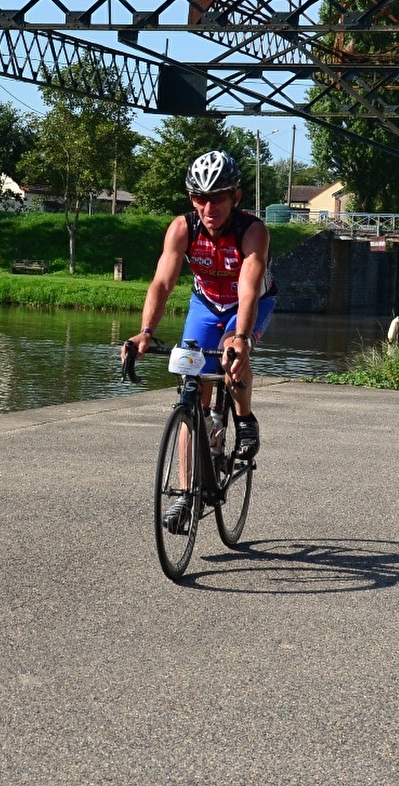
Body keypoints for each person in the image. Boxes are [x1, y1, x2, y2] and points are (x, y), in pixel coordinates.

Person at [121, 150, 276, 529]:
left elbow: (250, 290)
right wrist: (145, 333)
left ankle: (244, 419)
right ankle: (185, 494)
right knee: (191, 392)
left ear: (235, 197)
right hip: (205, 303)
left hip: (248, 302)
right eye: (200, 198)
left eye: (218, 197)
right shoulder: (182, 229)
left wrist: (241, 338)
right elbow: (162, 282)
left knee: (230, 354)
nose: (209, 207)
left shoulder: (252, 230)